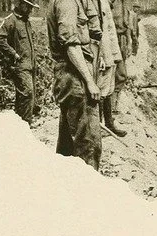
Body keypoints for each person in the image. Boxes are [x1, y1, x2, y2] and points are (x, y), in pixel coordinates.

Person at [47, 0, 103, 170]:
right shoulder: (67, 2)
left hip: (73, 76)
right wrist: (90, 82)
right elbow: (70, 44)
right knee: (89, 145)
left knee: (67, 147)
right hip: (75, 77)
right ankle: (88, 191)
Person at [0, 0, 39, 125]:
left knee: (27, 95)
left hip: (30, 64)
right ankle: (26, 124)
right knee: (27, 93)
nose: (30, 10)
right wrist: (13, 54)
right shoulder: (10, 20)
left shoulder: (26, 21)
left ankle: (21, 124)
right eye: (28, 6)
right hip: (19, 65)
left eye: (31, 7)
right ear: (20, 4)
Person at [97, 0, 126, 137]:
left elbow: (110, 30)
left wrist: (116, 54)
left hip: (110, 53)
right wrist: (100, 56)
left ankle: (109, 123)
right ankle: (100, 125)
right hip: (102, 53)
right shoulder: (96, 3)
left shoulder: (105, 4)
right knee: (102, 91)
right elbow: (95, 32)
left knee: (109, 89)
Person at [110, 0, 130, 113]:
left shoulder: (124, 4)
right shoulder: (110, 3)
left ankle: (113, 105)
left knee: (121, 75)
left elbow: (126, 25)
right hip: (112, 39)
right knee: (115, 74)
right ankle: (110, 107)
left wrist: (129, 43)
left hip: (121, 40)